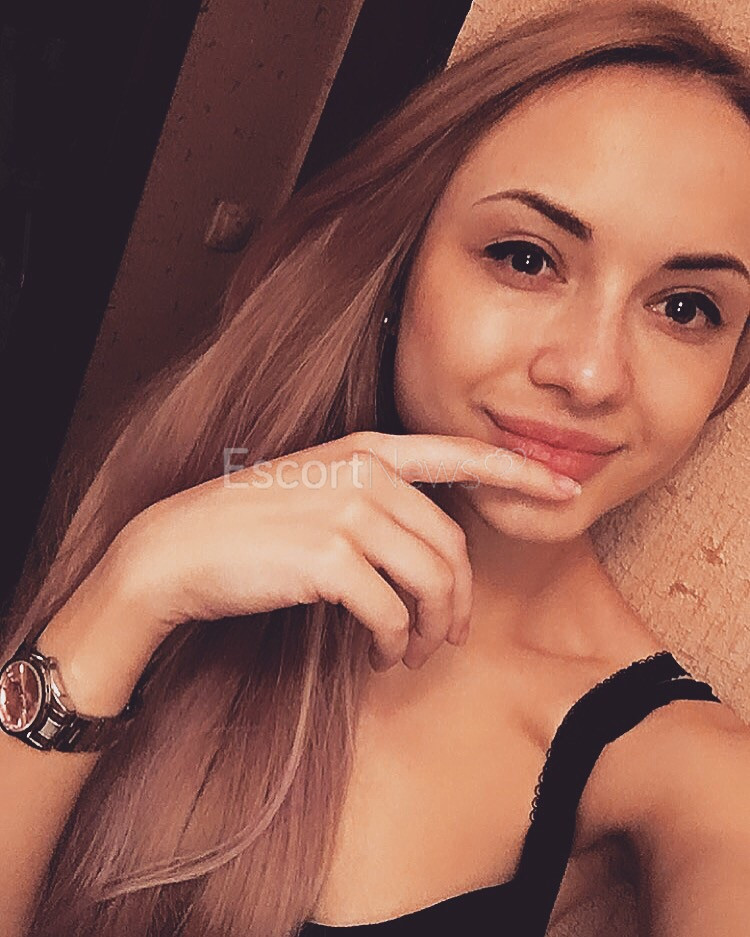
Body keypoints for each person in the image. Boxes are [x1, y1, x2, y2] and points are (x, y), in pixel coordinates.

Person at [0, 1, 748, 935]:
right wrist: (127, 591)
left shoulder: (693, 770)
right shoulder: (199, 496)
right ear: (400, 263)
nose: (592, 375)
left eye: (685, 308)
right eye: (526, 257)